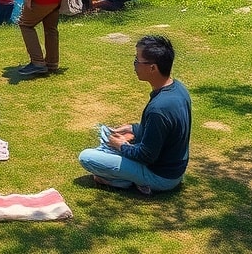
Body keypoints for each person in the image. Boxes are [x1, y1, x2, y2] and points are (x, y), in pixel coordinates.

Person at [78, 34, 191, 194]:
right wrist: (133, 129)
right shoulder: (179, 89)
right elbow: (165, 131)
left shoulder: (158, 109)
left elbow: (146, 156)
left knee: (87, 157)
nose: (135, 64)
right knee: (106, 132)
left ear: (153, 68)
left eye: (138, 60)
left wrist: (122, 146)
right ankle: (114, 161)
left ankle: (121, 180)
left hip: (160, 176)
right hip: (171, 169)